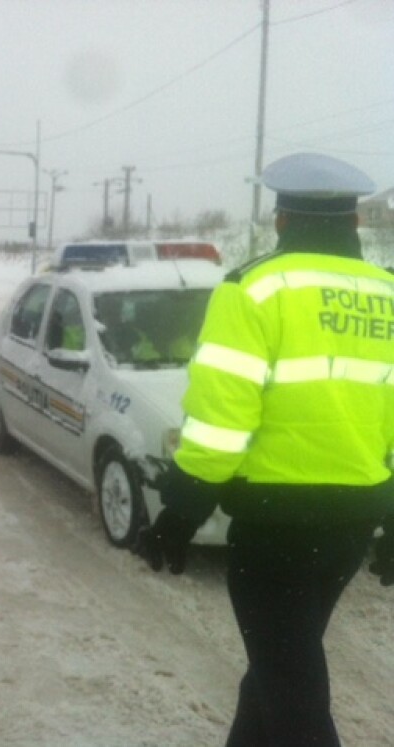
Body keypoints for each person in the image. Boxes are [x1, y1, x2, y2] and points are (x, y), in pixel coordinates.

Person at [136, 153, 394, 746]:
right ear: (354, 222)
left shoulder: (252, 290)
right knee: (278, 669)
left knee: (293, 687)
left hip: (275, 530)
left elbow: (221, 426)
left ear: (281, 221)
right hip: (350, 528)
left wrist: (179, 515)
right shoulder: (387, 292)